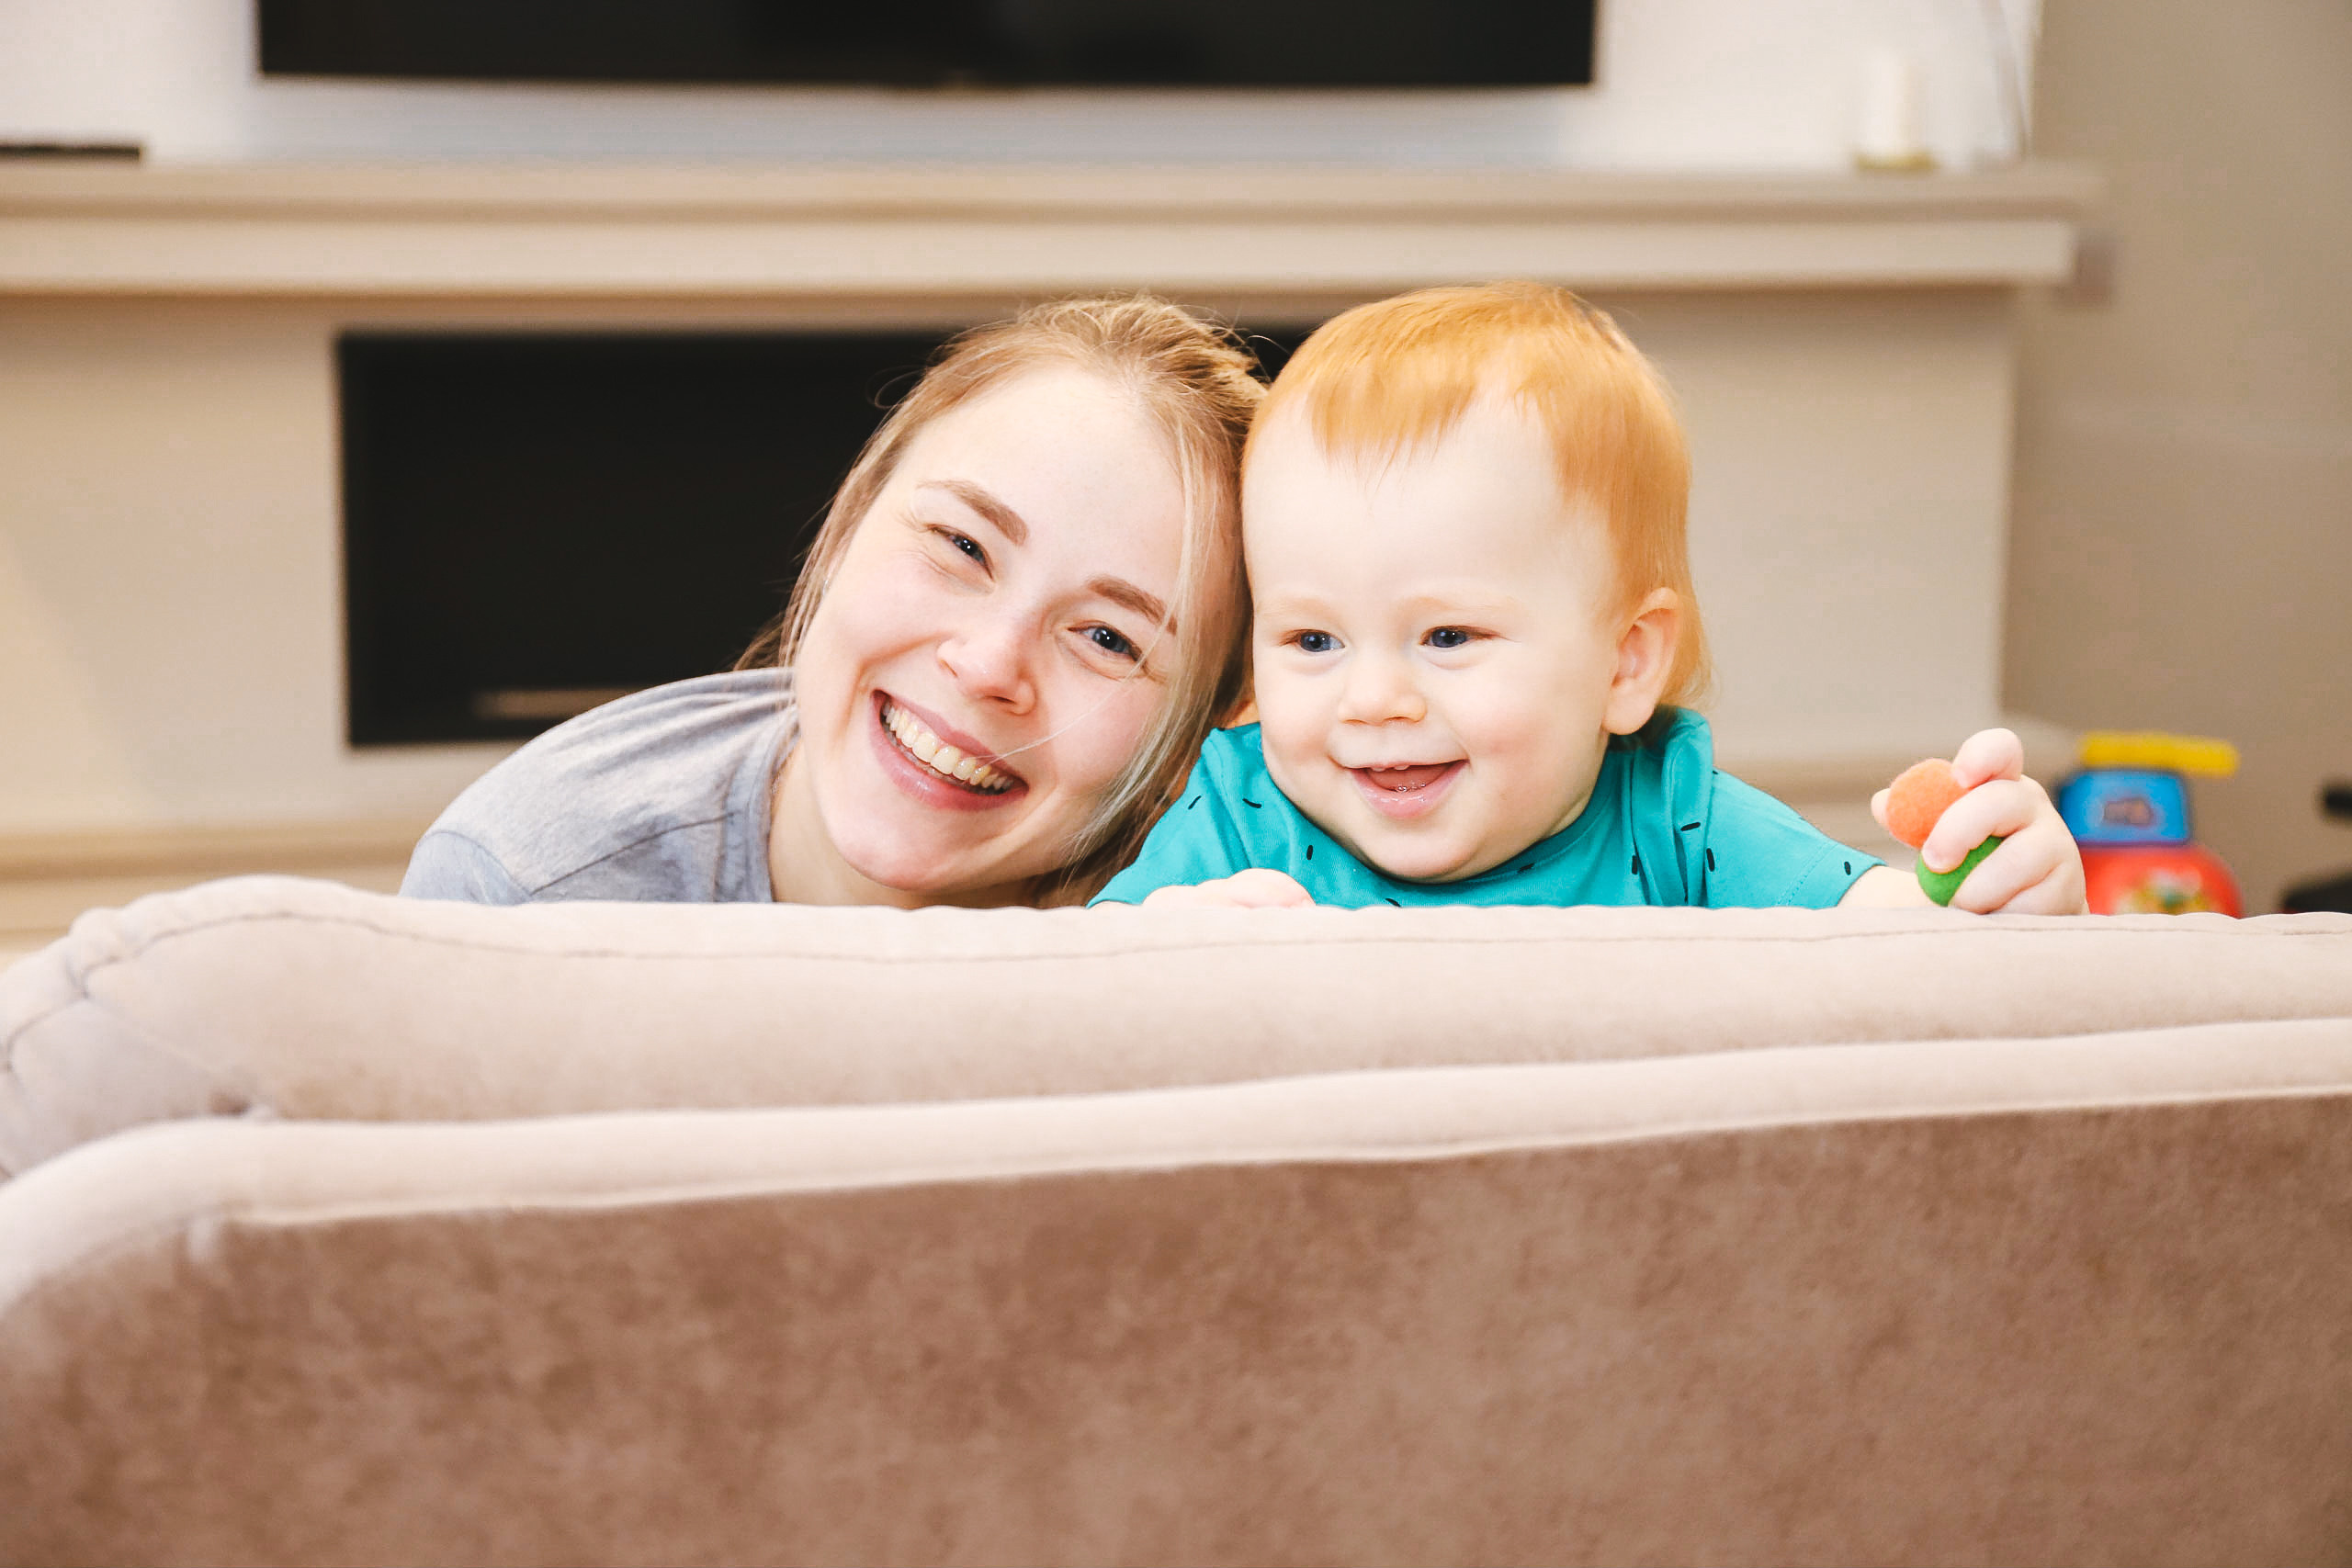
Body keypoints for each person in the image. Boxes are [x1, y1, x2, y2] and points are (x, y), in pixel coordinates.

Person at [1092, 282, 2086, 913]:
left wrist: (1999, 899)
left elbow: (1890, 947)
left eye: (1447, 635)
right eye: (1314, 641)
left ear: (1625, 662)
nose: (1373, 700)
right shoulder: (1241, 819)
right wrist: (1165, 955)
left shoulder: (1676, 818)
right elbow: (1074, 997)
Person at [401, 296, 1264, 908]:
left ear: (1209, 735)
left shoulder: (1230, 923)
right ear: (850, 517)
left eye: (1109, 639)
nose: (988, 664)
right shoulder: (528, 889)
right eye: (963, 546)